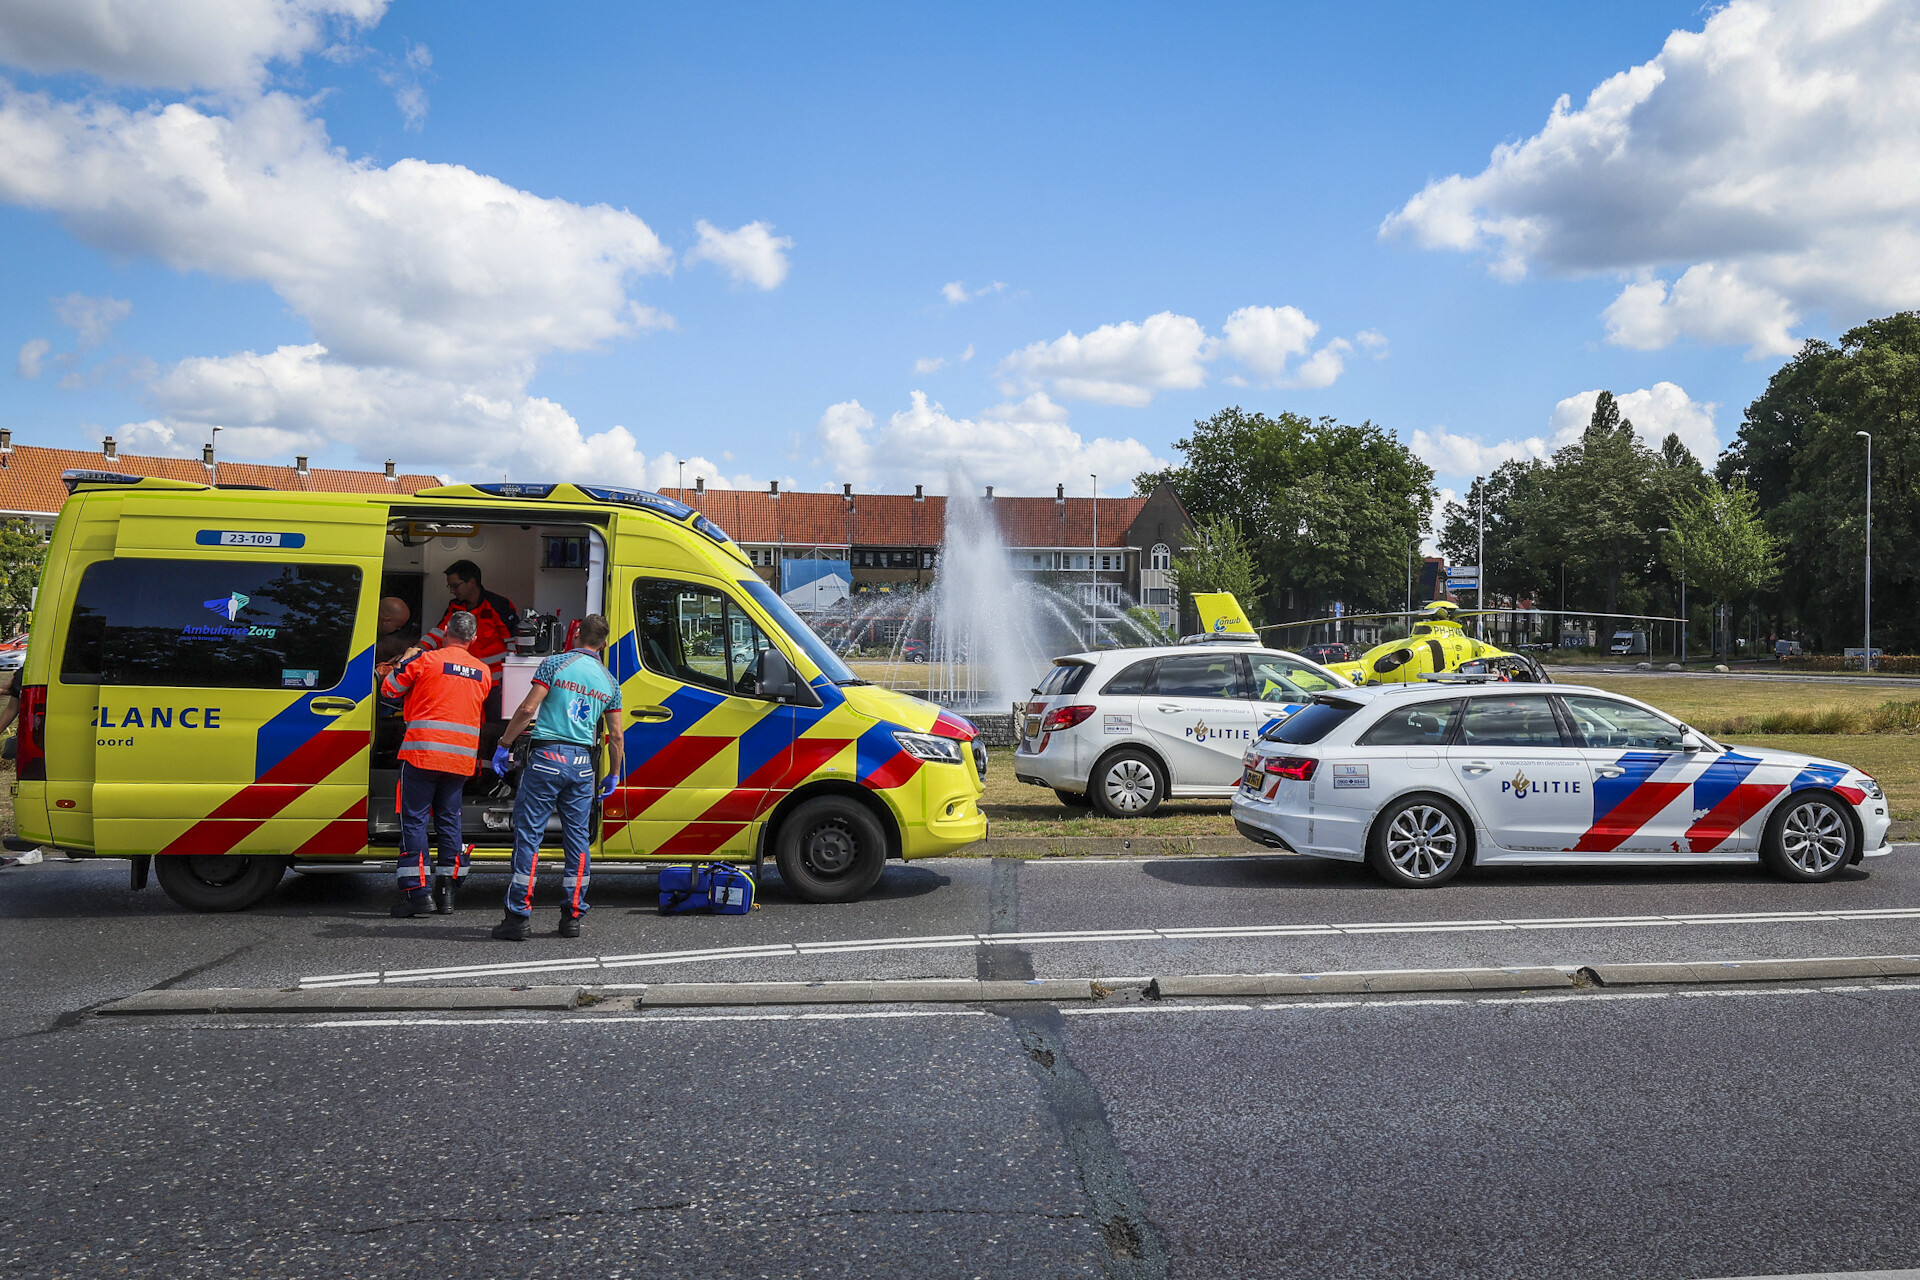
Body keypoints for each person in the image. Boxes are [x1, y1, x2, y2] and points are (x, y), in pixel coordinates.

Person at [488, 613, 624, 941]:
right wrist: (614, 774)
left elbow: (526, 710)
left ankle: (518, 918)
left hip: (546, 759)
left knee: (529, 836)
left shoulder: (554, 664)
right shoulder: (610, 682)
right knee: (577, 840)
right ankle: (572, 916)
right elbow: (616, 735)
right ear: (604, 644)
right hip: (582, 764)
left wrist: (504, 745)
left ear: (576, 635)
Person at [380, 610, 491, 918]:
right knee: (449, 822)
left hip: (422, 754)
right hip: (459, 760)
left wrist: (406, 658)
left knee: (415, 822)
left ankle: (418, 895)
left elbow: (389, 689)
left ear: (445, 632)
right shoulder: (483, 672)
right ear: (473, 638)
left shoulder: (425, 660)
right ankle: (447, 894)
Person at [418, 560, 518, 719]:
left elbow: (515, 641)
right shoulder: (455, 607)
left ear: (471, 582)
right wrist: (417, 650)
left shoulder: (498, 605)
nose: (452, 591)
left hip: (496, 683)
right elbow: (439, 633)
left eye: (455, 586)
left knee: (493, 725)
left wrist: (510, 679)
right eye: (450, 586)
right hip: (466, 677)